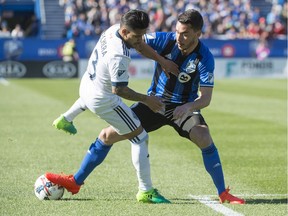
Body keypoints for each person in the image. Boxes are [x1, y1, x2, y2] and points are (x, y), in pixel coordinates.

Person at [50, 9, 245, 204]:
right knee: (107, 135)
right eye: (177, 31)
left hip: (183, 108)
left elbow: (206, 98)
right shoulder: (165, 40)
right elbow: (139, 44)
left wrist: (188, 107)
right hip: (155, 103)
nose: (179, 37)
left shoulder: (205, 57)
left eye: (185, 33)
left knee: (203, 136)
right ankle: (76, 181)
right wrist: (162, 60)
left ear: (198, 34)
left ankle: (223, 192)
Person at [46, 9, 179, 204]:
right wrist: (147, 99)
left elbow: (141, 46)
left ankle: (66, 119)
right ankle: (146, 190)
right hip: (104, 99)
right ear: (125, 32)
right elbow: (120, 90)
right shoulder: (119, 56)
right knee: (140, 137)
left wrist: (162, 60)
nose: (140, 39)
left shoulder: (114, 29)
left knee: (106, 135)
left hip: (87, 86)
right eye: (137, 36)